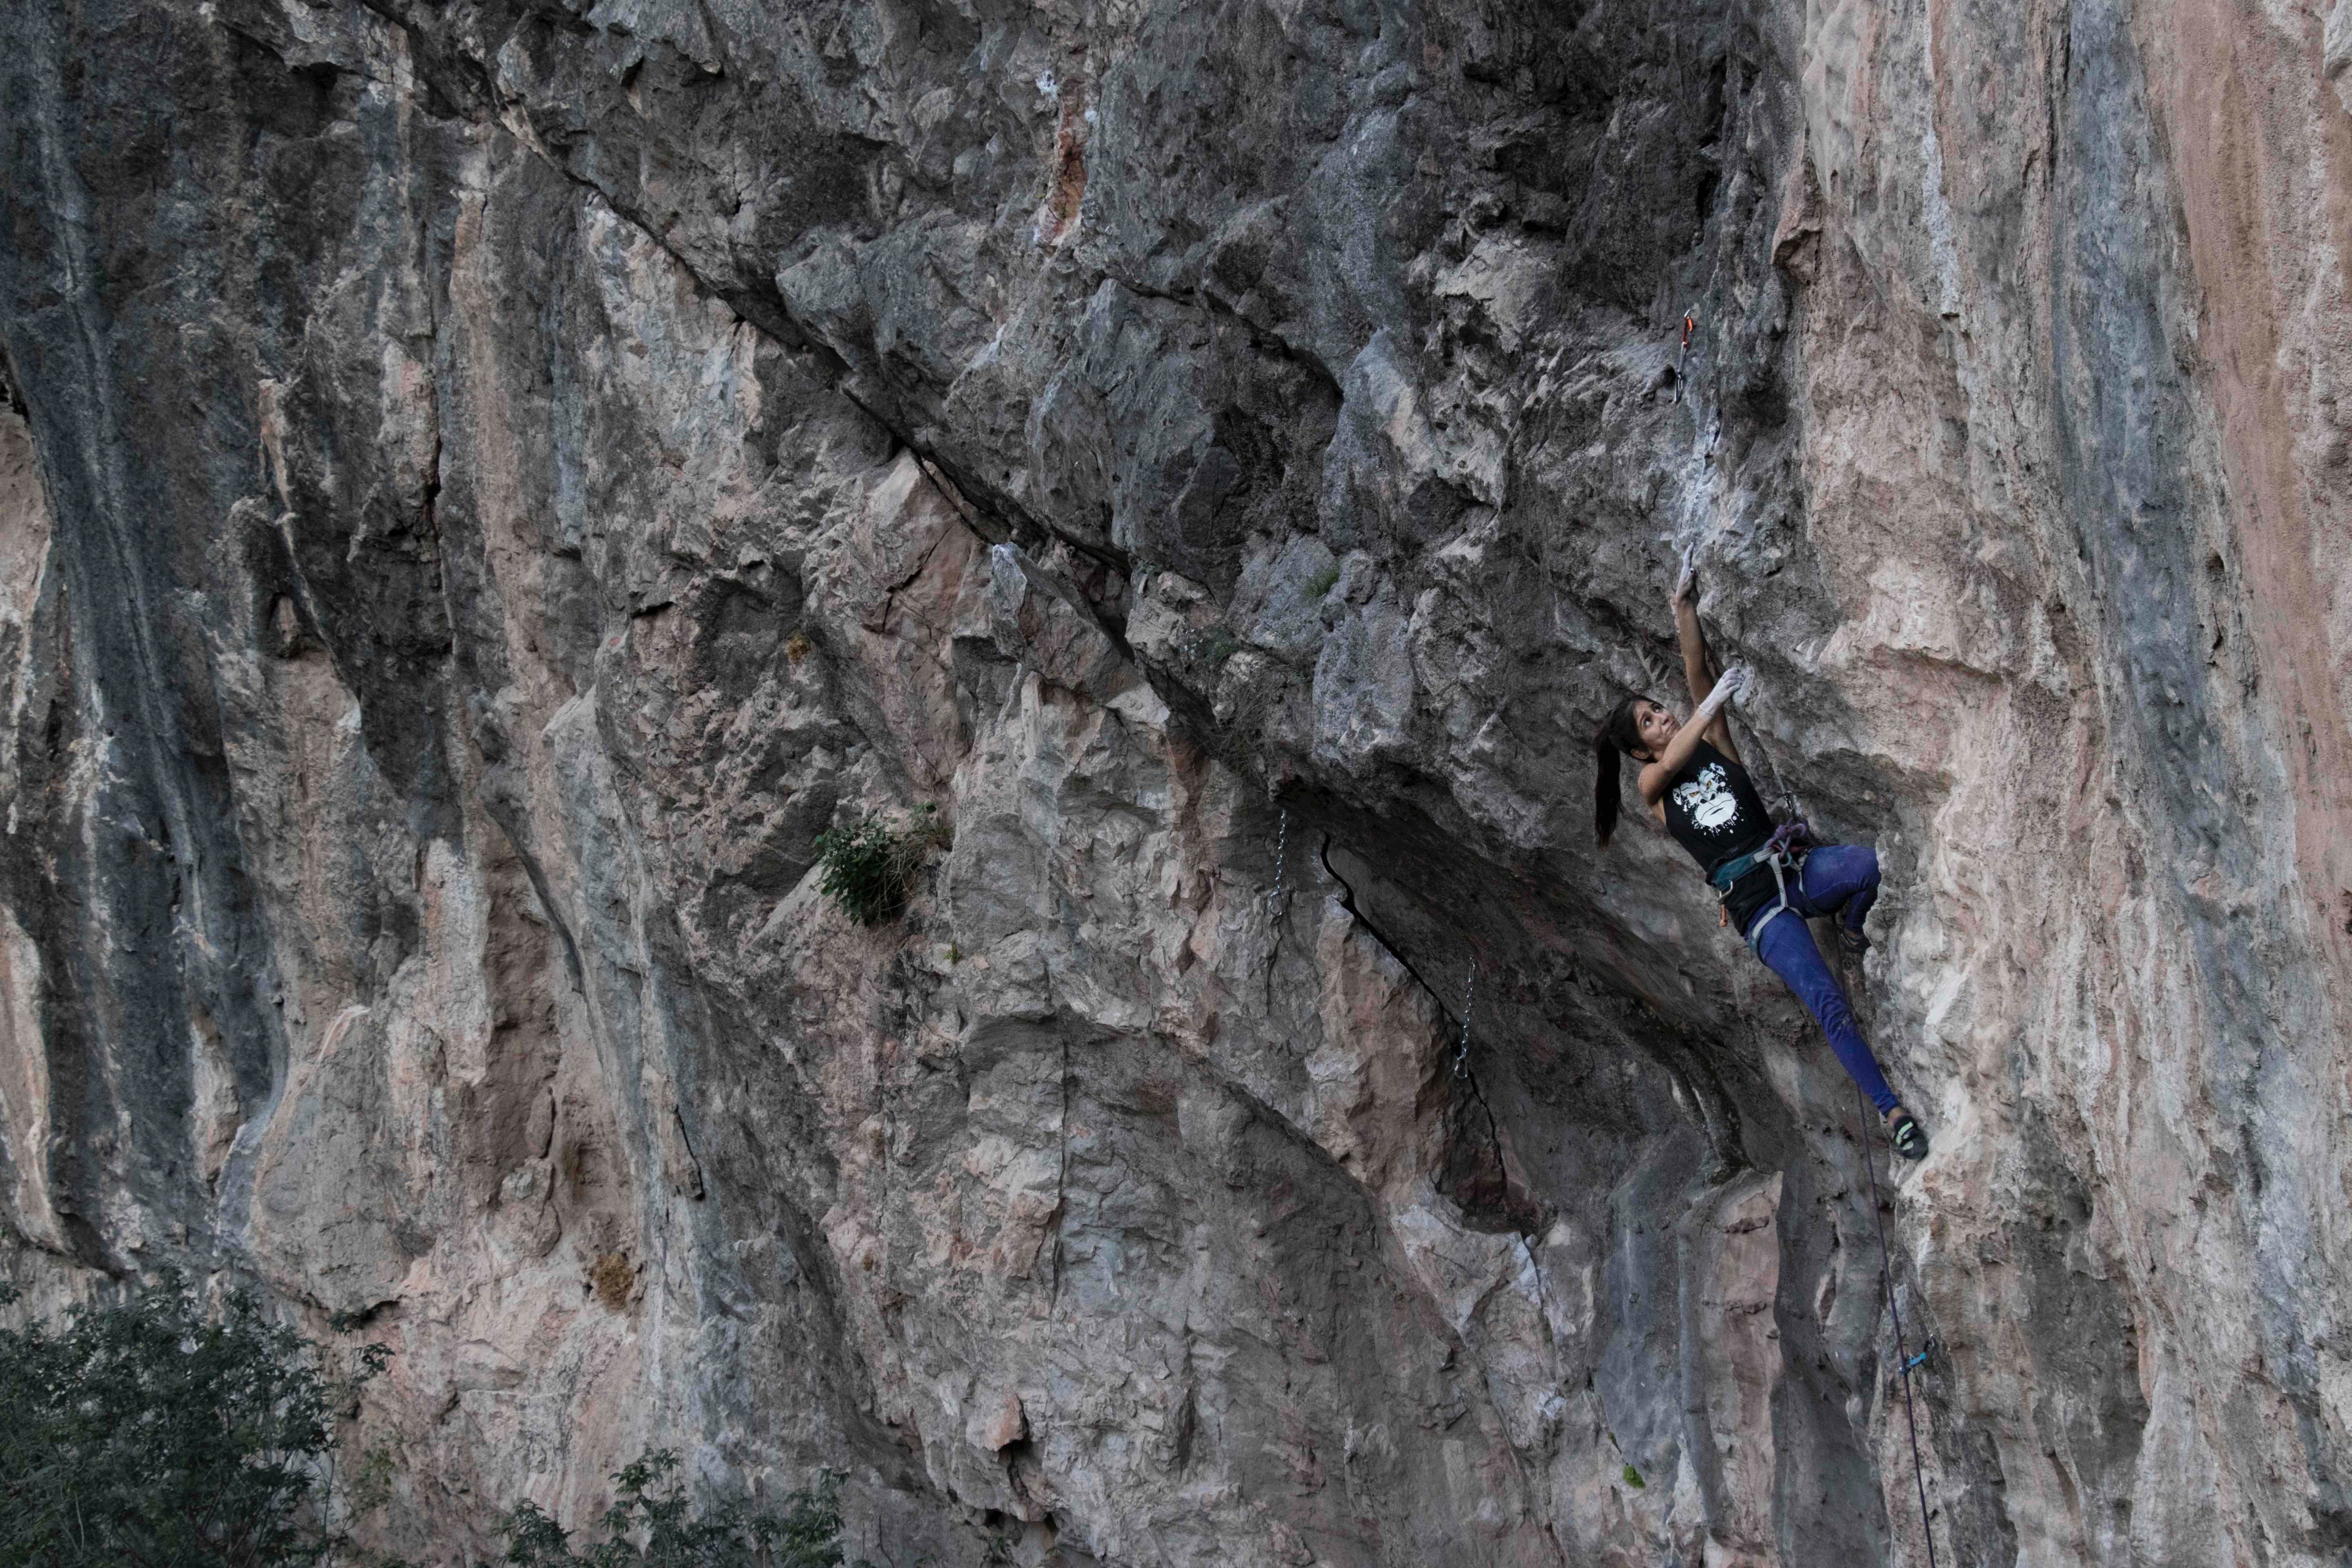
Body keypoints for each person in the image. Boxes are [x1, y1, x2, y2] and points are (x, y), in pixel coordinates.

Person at [1591, 551, 1928, 1160]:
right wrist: (1707, 705)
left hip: (1791, 868)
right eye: (1649, 720)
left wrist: (1682, 608)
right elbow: (1670, 762)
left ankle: (1850, 926)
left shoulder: (1716, 742)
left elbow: (1695, 666)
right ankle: (1893, 1111)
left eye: (1657, 708)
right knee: (1825, 1000)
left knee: (1868, 867)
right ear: (1640, 751)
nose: (1663, 716)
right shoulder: (1653, 791)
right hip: (1757, 907)